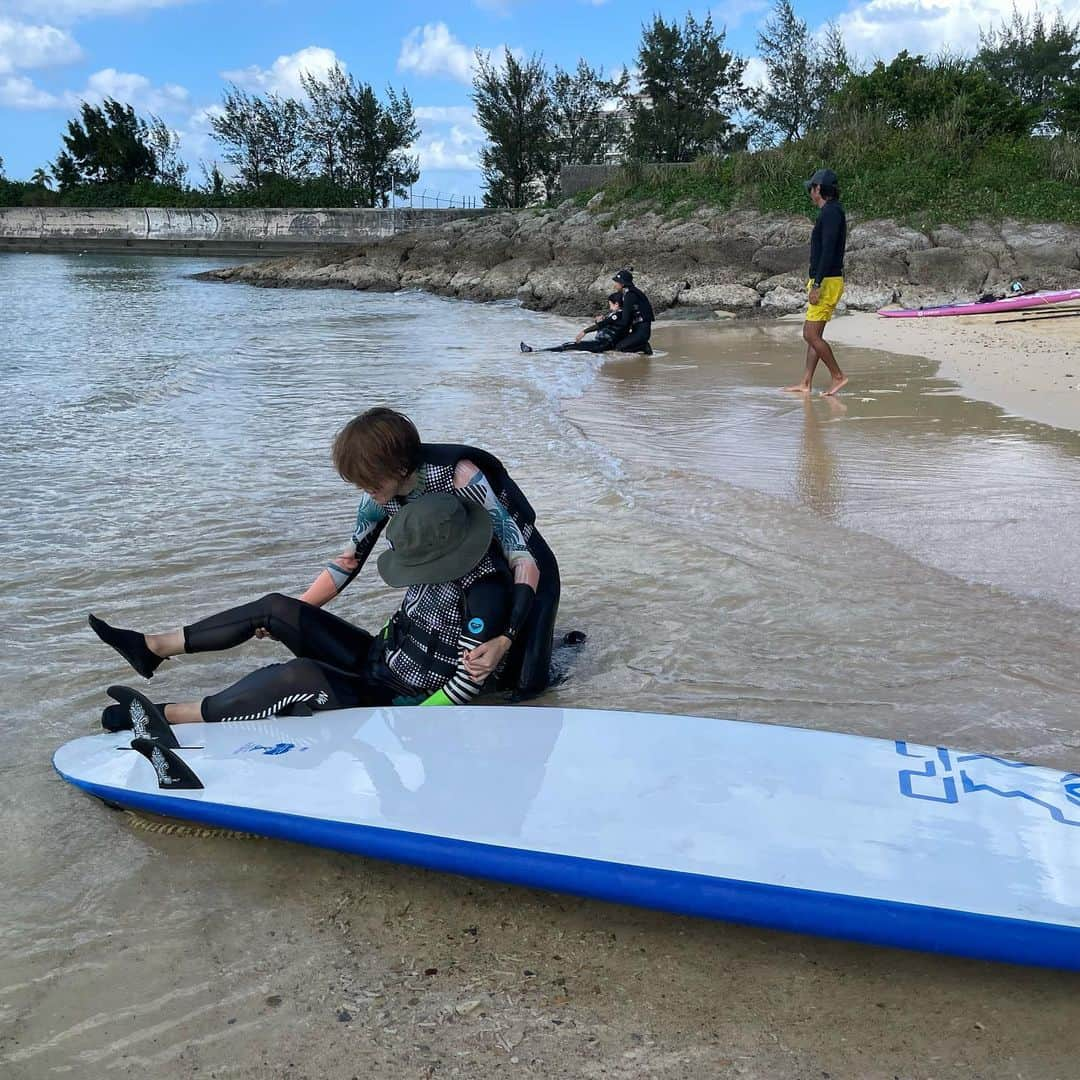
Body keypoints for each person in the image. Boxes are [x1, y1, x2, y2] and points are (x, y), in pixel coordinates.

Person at [93, 408, 560, 702]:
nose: (366, 494)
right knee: (278, 610)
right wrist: (298, 612)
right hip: (441, 571)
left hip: (517, 567)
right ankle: (154, 646)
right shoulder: (380, 493)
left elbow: (522, 557)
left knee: (524, 686)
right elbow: (348, 562)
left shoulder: (460, 476)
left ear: (400, 468)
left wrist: (509, 633)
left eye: (369, 482)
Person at [95, 492, 515, 729]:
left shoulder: (486, 594)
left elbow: (465, 685)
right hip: (378, 657)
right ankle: (153, 646)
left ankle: (169, 716)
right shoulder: (437, 543)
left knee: (299, 676)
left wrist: (411, 724)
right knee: (279, 609)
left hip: (399, 697)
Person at [784, 168, 848, 396]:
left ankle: (838, 376)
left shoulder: (830, 213)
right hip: (827, 279)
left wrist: (818, 283)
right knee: (813, 335)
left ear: (818, 189)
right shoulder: (832, 211)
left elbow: (829, 250)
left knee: (810, 335)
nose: (810, 193)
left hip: (827, 281)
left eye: (811, 188)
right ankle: (806, 382)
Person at [519, 292, 628, 353]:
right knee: (568, 346)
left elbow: (604, 325)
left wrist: (584, 332)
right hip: (600, 343)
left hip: (601, 345)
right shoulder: (616, 314)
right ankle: (537, 351)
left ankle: (534, 351)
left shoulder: (617, 315)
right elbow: (606, 326)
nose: (609, 306)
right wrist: (599, 321)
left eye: (610, 304)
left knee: (568, 346)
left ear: (617, 304)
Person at [610, 268, 654, 355]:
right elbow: (612, 297)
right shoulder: (630, 292)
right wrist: (612, 304)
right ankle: (640, 344)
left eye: (616, 282)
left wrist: (607, 323)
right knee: (616, 344)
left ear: (622, 284)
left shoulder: (629, 295)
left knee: (619, 348)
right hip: (638, 330)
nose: (614, 285)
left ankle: (643, 346)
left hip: (642, 332)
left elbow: (625, 321)